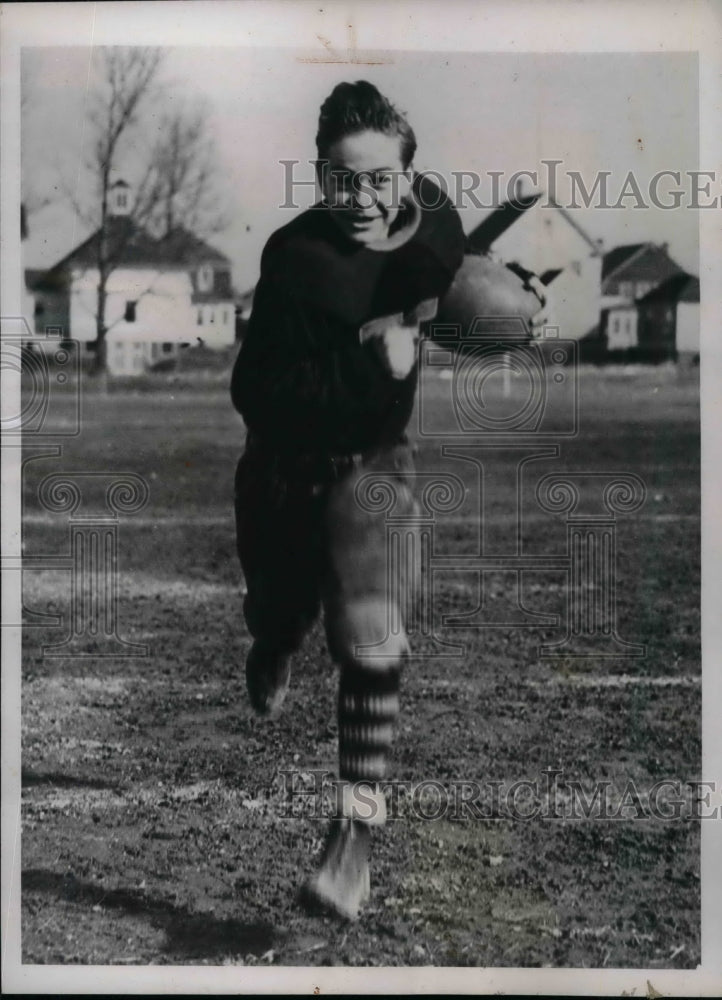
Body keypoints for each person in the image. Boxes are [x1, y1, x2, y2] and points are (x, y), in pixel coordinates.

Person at [231, 80, 465, 919]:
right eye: (340, 179)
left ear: (409, 176)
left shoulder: (434, 225)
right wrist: (373, 360)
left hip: (374, 469)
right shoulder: (294, 259)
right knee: (280, 614)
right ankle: (275, 640)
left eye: (378, 179)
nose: (361, 198)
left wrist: (496, 308)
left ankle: (354, 840)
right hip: (286, 472)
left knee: (372, 640)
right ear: (318, 175)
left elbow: (457, 267)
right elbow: (256, 391)